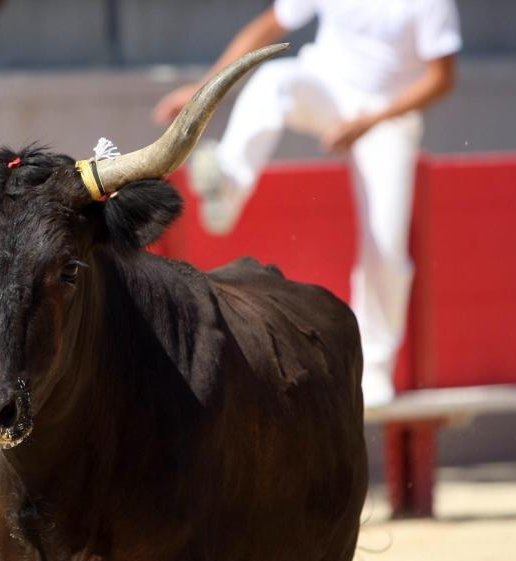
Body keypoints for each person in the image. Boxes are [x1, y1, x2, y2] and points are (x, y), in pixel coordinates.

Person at [153, 0, 461, 406]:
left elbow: (441, 78)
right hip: (326, 86)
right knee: (275, 78)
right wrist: (204, 88)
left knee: (385, 245)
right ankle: (228, 183)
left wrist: (368, 121)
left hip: (389, 116)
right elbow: (268, 26)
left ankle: (376, 370)